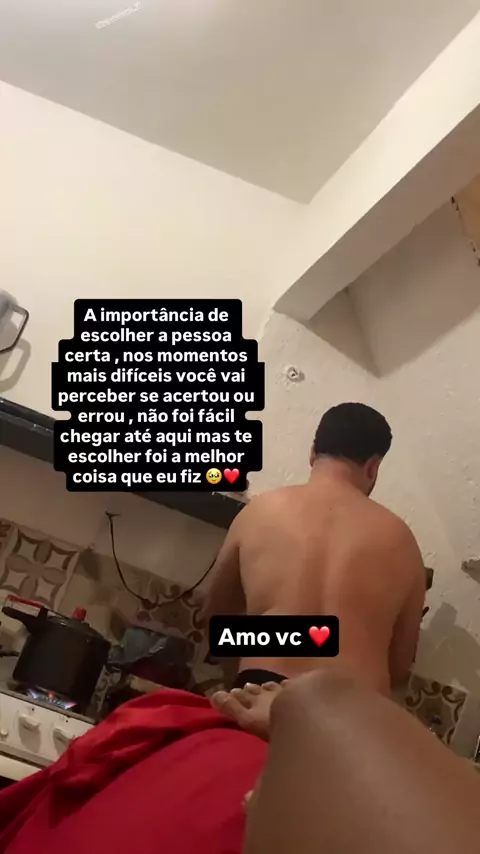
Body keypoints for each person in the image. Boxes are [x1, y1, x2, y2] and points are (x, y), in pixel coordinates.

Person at [202, 402, 427, 695]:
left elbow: (215, 615)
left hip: (261, 687)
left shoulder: (261, 511)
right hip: (354, 702)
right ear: (373, 466)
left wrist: (242, 676)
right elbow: (399, 665)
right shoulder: (403, 541)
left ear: (312, 452)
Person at [211, 671, 480, 854]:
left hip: (272, 680)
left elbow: (221, 622)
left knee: (315, 695)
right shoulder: (410, 591)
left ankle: (312, 721)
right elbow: (399, 666)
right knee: (318, 696)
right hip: (353, 685)